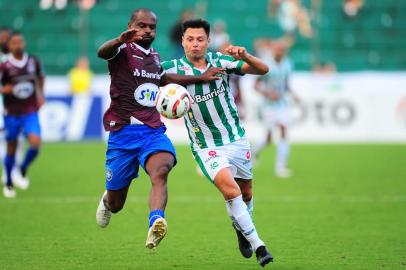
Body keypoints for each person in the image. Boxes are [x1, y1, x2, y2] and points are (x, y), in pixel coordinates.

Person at [95, 8, 223, 250]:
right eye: (141, 26)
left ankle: (156, 221)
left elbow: (164, 78)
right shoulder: (121, 50)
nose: (147, 30)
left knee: (161, 169)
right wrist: (119, 40)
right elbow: (102, 53)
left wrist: (200, 77)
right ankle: (107, 200)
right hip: (122, 134)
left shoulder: (153, 55)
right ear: (130, 25)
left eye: (151, 27)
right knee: (116, 204)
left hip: (152, 131)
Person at [161, 19, 273, 267]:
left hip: (235, 139)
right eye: (190, 39)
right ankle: (259, 246)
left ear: (208, 41)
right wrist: (198, 78)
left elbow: (263, 69)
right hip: (206, 145)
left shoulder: (220, 62)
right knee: (231, 191)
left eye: (200, 39)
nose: (195, 44)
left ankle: (241, 230)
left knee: (246, 193)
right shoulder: (172, 67)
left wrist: (246, 55)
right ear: (182, 41)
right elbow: (153, 77)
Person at [0, 31, 45, 198]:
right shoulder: (4, 66)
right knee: (11, 149)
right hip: (11, 113)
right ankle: (9, 182)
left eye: (20, 42)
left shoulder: (33, 61)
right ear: (9, 46)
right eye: (14, 43)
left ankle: (23, 167)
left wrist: (41, 96)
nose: (18, 45)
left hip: (30, 111)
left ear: (24, 43)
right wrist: (5, 89)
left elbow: (40, 78)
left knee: (35, 143)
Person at [253, 40, 299, 178]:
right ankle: (254, 151)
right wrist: (268, 93)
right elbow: (255, 86)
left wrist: (293, 94)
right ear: (273, 50)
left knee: (284, 129)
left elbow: (286, 84)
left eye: (282, 49)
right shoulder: (266, 65)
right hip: (268, 106)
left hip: (282, 105)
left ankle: (280, 167)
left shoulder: (287, 64)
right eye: (277, 49)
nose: (279, 52)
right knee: (268, 139)